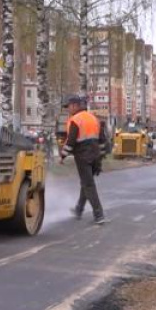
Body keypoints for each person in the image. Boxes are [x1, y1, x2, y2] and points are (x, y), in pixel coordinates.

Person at [60, 95, 106, 225]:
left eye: (69, 107)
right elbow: (102, 141)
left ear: (75, 105)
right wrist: (100, 158)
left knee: (88, 185)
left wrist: (62, 156)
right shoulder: (94, 119)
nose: (68, 109)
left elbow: (70, 142)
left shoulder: (76, 120)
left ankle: (99, 215)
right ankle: (79, 209)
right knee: (86, 183)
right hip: (95, 155)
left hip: (83, 156)